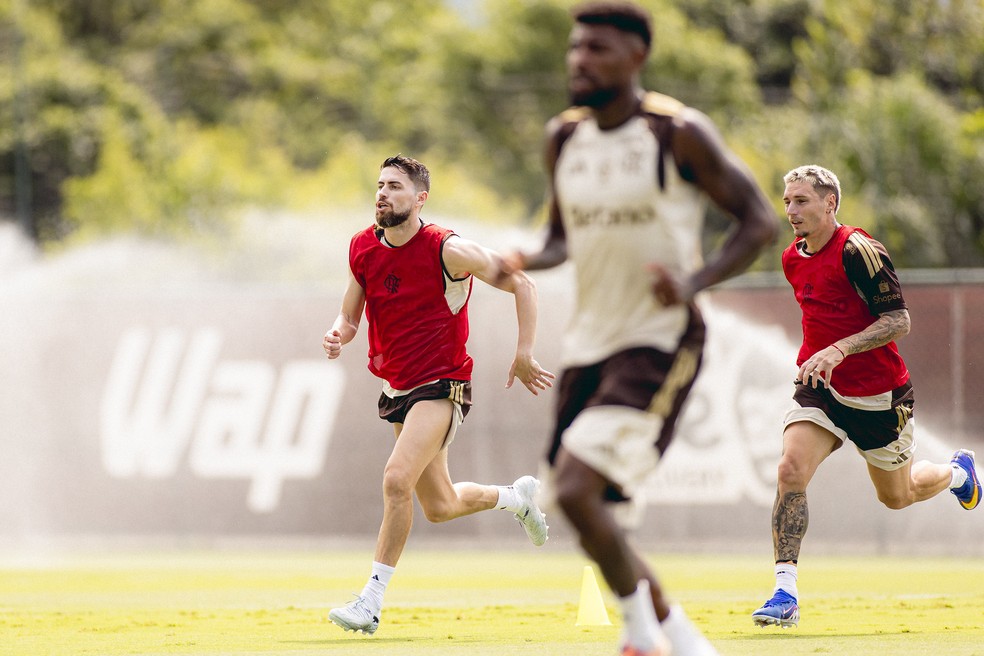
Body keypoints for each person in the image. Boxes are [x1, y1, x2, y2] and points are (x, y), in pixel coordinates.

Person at [502, 3, 777, 655]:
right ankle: (685, 643)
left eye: (596, 48)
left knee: (572, 490)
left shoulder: (676, 133)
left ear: (636, 57)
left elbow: (759, 221)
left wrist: (692, 283)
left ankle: (640, 639)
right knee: (594, 520)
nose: (579, 60)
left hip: (659, 339)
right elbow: (558, 241)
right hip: (586, 345)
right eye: (575, 48)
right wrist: (517, 259)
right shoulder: (562, 139)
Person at [323, 154, 555, 636]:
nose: (383, 193)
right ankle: (516, 498)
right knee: (440, 506)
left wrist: (525, 351)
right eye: (380, 185)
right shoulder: (363, 247)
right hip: (397, 389)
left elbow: (524, 284)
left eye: (395, 187)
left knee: (395, 479)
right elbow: (349, 317)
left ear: (419, 198)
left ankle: (370, 601)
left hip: (442, 385)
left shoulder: (447, 249)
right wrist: (337, 333)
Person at [751, 164, 982, 629]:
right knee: (790, 469)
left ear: (830, 202)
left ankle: (958, 473)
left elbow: (899, 321)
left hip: (880, 397)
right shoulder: (791, 257)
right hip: (821, 389)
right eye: (787, 200)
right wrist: (822, 357)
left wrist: (840, 348)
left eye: (801, 200)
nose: (791, 210)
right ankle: (784, 593)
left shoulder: (860, 250)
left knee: (898, 497)